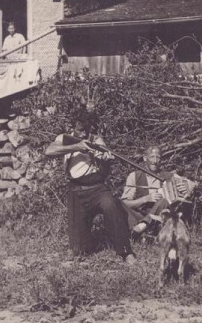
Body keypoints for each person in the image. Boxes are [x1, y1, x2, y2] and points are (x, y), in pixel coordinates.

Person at [45, 112, 136, 263]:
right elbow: (49, 151)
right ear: (72, 128)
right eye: (80, 129)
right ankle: (91, 243)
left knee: (112, 207)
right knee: (79, 250)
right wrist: (77, 147)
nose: (84, 133)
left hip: (97, 187)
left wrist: (106, 160)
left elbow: (105, 164)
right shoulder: (63, 139)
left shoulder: (96, 139)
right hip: (75, 190)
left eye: (86, 129)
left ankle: (125, 251)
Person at [121, 145, 194, 238]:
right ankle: (143, 232)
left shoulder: (168, 176)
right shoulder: (134, 176)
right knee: (118, 202)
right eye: (152, 157)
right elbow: (126, 203)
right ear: (145, 158)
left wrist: (187, 187)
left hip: (159, 218)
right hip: (139, 216)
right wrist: (145, 199)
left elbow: (191, 183)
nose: (155, 161)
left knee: (163, 201)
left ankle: (140, 230)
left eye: (158, 157)